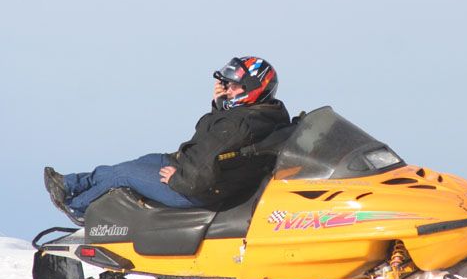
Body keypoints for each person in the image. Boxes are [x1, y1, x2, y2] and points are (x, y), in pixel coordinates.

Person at [44, 56, 290, 223]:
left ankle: (79, 206)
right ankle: (72, 184)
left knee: (124, 174)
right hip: (210, 177)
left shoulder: (238, 123)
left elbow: (213, 151)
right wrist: (221, 106)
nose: (227, 90)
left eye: (235, 87)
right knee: (146, 161)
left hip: (197, 189)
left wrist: (178, 179)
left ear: (254, 88)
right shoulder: (267, 112)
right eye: (227, 85)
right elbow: (223, 140)